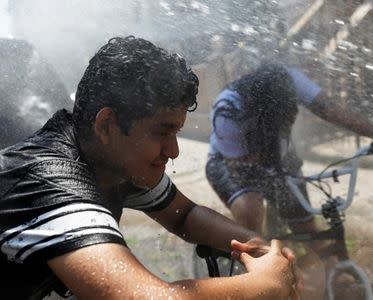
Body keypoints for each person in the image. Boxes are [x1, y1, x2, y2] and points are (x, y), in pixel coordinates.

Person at [0, 37, 301, 300]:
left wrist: (256, 246)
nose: (174, 151)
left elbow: (186, 217)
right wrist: (266, 284)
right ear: (107, 125)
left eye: (176, 134)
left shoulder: (107, 155)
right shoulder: (53, 183)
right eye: (162, 132)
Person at [206, 62, 373, 251]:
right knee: (251, 216)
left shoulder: (289, 79)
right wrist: (276, 185)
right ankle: (249, 277)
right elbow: (244, 168)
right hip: (228, 162)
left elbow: (332, 111)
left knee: (307, 231)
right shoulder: (228, 111)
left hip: (277, 155)